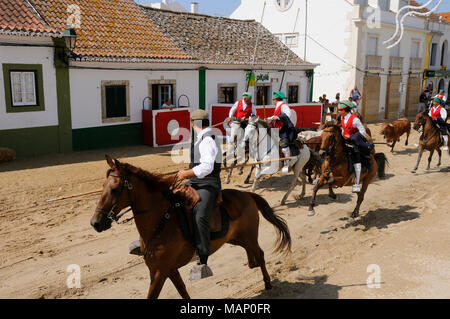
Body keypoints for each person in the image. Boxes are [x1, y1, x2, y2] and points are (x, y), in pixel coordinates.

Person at [175, 109, 222, 279]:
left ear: (193, 124)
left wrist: (187, 173)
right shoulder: (204, 138)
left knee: (200, 215)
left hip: (208, 184)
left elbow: (208, 166)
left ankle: (203, 259)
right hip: (196, 182)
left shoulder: (207, 140)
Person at [337, 100, 374, 193]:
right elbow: (343, 129)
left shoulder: (355, 119)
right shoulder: (342, 118)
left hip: (354, 143)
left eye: (339, 110)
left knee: (356, 158)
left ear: (344, 110)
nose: (338, 112)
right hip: (344, 140)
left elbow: (362, 132)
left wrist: (352, 136)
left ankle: (357, 183)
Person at [267, 91, 296, 175]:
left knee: (284, 147)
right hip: (278, 129)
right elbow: (274, 117)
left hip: (285, 129)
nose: (273, 101)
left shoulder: (283, 105)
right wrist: (269, 119)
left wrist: (278, 117)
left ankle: (287, 164)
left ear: (275, 99)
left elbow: (288, 114)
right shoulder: (278, 106)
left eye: (273, 100)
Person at [225, 92, 256, 165]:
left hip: (245, 122)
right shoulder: (238, 103)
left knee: (248, 135)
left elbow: (254, 114)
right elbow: (232, 110)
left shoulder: (252, 105)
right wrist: (230, 117)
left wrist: (249, 118)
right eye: (246, 98)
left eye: (248, 99)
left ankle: (249, 150)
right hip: (238, 121)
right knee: (233, 135)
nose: (248, 100)